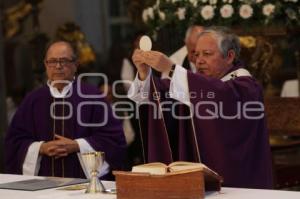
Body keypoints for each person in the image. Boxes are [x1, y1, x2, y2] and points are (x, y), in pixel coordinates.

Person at [128, 27, 273, 188]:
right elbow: (157, 93)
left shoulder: (245, 86)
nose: (199, 61)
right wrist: (143, 73)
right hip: (196, 185)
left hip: (239, 182)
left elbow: (220, 95)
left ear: (230, 56)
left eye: (207, 54)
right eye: (196, 55)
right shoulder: (193, 84)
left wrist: (171, 69)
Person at [4, 40, 127, 180]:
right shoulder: (32, 100)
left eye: (64, 61)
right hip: (42, 185)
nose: (58, 66)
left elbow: (114, 140)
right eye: (52, 61)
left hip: (83, 183)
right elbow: (14, 142)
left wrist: (77, 145)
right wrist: (41, 148)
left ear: (75, 65)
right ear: (45, 65)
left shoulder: (93, 97)